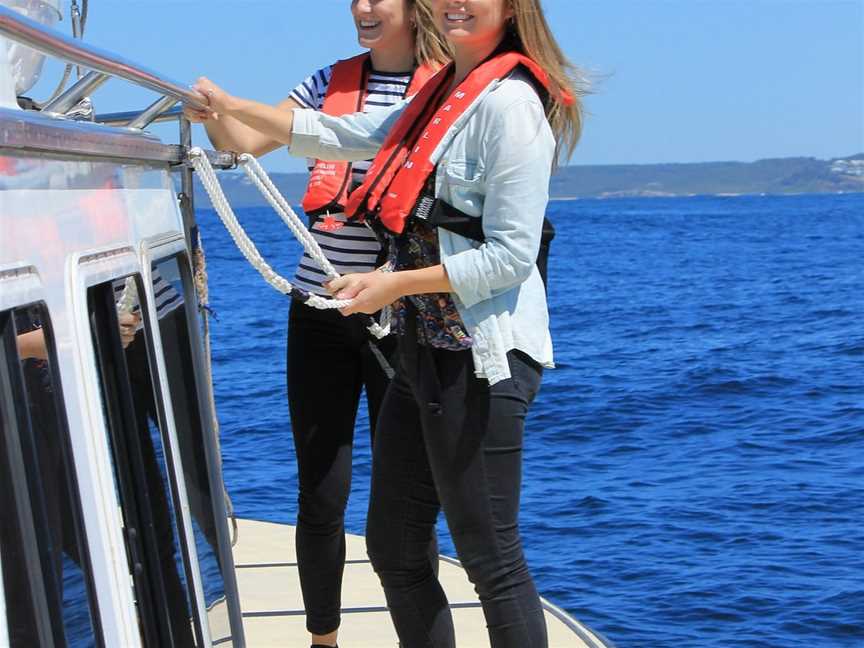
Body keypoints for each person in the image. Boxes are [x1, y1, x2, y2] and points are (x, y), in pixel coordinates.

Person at [191, 0, 584, 645]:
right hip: (420, 352)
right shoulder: (442, 94)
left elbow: (512, 257)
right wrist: (230, 107)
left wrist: (393, 285)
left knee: (491, 560)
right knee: (396, 548)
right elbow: (336, 134)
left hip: (478, 359)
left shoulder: (509, 105)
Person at [185, 2, 450, 646]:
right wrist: (216, 115)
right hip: (318, 308)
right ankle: (322, 638)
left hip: (398, 309)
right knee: (321, 489)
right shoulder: (326, 83)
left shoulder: (445, 87)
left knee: (405, 498)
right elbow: (245, 143)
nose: (362, 7)